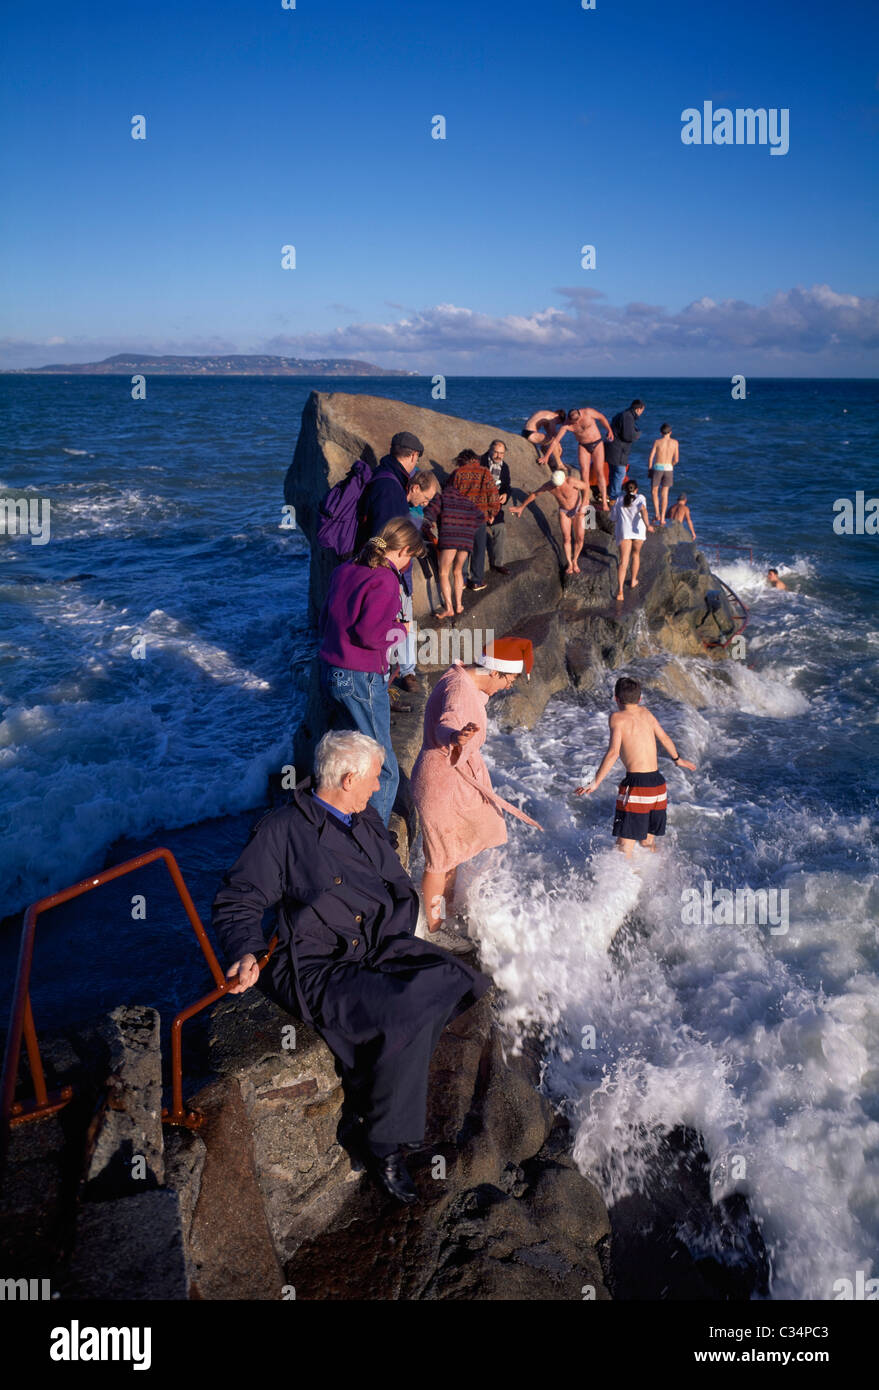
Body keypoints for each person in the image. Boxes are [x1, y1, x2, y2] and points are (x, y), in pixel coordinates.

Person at [213, 729, 491, 1205]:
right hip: (318, 962)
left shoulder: (360, 822)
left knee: (458, 978)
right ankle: (382, 1141)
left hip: (377, 946)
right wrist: (244, 950)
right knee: (404, 1008)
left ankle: (381, 1077)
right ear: (346, 778)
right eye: (372, 778)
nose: (378, 787)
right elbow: (239, 899)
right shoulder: (282, 830)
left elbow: (391, 882)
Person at [411, 639, 542, 949]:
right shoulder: (459, 690)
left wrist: (458, 737)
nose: (508, 686)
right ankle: (433, 929)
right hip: (439, 784)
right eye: (509, 679)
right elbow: (449, 723)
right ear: (495, 671)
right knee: (439, 862)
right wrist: (456, 736)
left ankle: (448, 914)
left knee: (453, 856)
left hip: (453, 782)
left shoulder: (464, 680)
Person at [318, 517, 425, 825]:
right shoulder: (386, 580)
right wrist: (400, 629)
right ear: (403, 551)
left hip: (332, 670)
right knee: (383, 763)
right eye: (410, 559)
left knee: (343, 757)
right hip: (360, 677)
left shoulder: (345, 569)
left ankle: (334, 816)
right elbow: (369, 634)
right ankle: (371, 835)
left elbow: (325, 620)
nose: (408, 566)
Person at [574, 676, 696, 857]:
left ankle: (624, 884)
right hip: (658, 785)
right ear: (639, 699)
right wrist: (678, 760)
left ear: (616, 699)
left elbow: (613, 753)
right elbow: (664, 738)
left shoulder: (617, 718)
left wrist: (596, 782)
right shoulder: (646, 713)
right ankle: (657, 877)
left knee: (623, 847)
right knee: (648, 840)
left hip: (638, 786)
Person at [356, 431, 426, 698]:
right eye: (415, 459)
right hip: (389, 571)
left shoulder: (389, 479)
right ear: (412, 455)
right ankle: (382, 688)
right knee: (390, 625)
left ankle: (403, 674)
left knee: (403, 621)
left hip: (393, 568)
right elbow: (380, 535)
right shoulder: (389, 486)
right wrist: (390, 566)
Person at [421, 462, 490, 618]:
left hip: (450, 538)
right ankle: (459, 605)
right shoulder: (468, 502)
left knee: (444, 573)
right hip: (466, 541)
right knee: (458, 572)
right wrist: (467, 528)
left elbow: (429, 513)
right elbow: (480, 518)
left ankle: (449, 608)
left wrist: (426, 523)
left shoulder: (441, 497)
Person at [509, 466, 594, 575]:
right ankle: (569, 563)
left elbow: (586, 487)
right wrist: (522, 507)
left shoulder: (571, 481)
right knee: (566, 538)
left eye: (559, 485)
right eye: (555, 485)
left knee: (580, 538)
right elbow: (535, 494)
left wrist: (584, 503)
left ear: (564, 479)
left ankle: (575, 560)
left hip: (577, 510)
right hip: (564, 512)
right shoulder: (549, 485)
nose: (557, 487)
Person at [446, 448, 501, 592]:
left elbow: (448, 494)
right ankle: (476, 581)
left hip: (462, 519)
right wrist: (492, 513)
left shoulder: (457, 474)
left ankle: (462, 580)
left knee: (462, 548)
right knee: (479, 550)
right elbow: (494, 496)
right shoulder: (485, 472)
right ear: (475, 459)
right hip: (479, 518)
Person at [551, 408, 614, 512]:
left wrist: (609, 430)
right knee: (584, 472)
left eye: (578, 420)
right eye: (574, 422)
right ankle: (585, 499)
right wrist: (546, 456)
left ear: (580, 414)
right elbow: (556, 441)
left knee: (599, 472)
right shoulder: (567, 424)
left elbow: (601, 417)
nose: (577, 423)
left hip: (597, 443)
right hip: (583, 446)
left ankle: (604, 502)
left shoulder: (588, 412)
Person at [611, 477, 654, 601]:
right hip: (638, 532)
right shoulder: (641, 498)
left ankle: (620, 592)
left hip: (624, 532)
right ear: (636, 490)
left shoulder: (619, 500)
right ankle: (633, 580)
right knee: (636, 555)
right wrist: (648, 525)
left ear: (625, 490)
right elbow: (644, 510)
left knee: (623, 561)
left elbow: (613, 518)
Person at [479, 439, 512, 575]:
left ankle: (498, 564)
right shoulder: (480, 463)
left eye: (501, 453)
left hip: (495, 505)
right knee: (478, 534)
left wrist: (505, 494)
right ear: (490, 450)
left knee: (500, 529)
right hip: (479, 505)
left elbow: (507, 486)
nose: (499, 456)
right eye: (496, 452)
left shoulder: (504, 468)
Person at [604, 400, 645, 499]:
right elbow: (628, 436)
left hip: (612, 448)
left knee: (614, 473)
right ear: (638, 409)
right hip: (619, 450)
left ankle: (611, 495)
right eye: (642, 411)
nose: (641, 413)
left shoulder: (622, 415)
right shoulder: (628, 417)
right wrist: (638, 434)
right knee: (620, 473)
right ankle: (615, 497)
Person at [648, 423, 679, 527]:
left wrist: (649, 468)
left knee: (654, 491)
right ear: (670, 432)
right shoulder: (675, 442)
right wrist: (670, 465)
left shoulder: (657, 442)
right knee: (665, 494)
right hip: (669, 468)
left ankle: (656, 513)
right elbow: (676, 459)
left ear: (661, 432)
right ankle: (662, 518)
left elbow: (651, 457)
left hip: (658, 467)